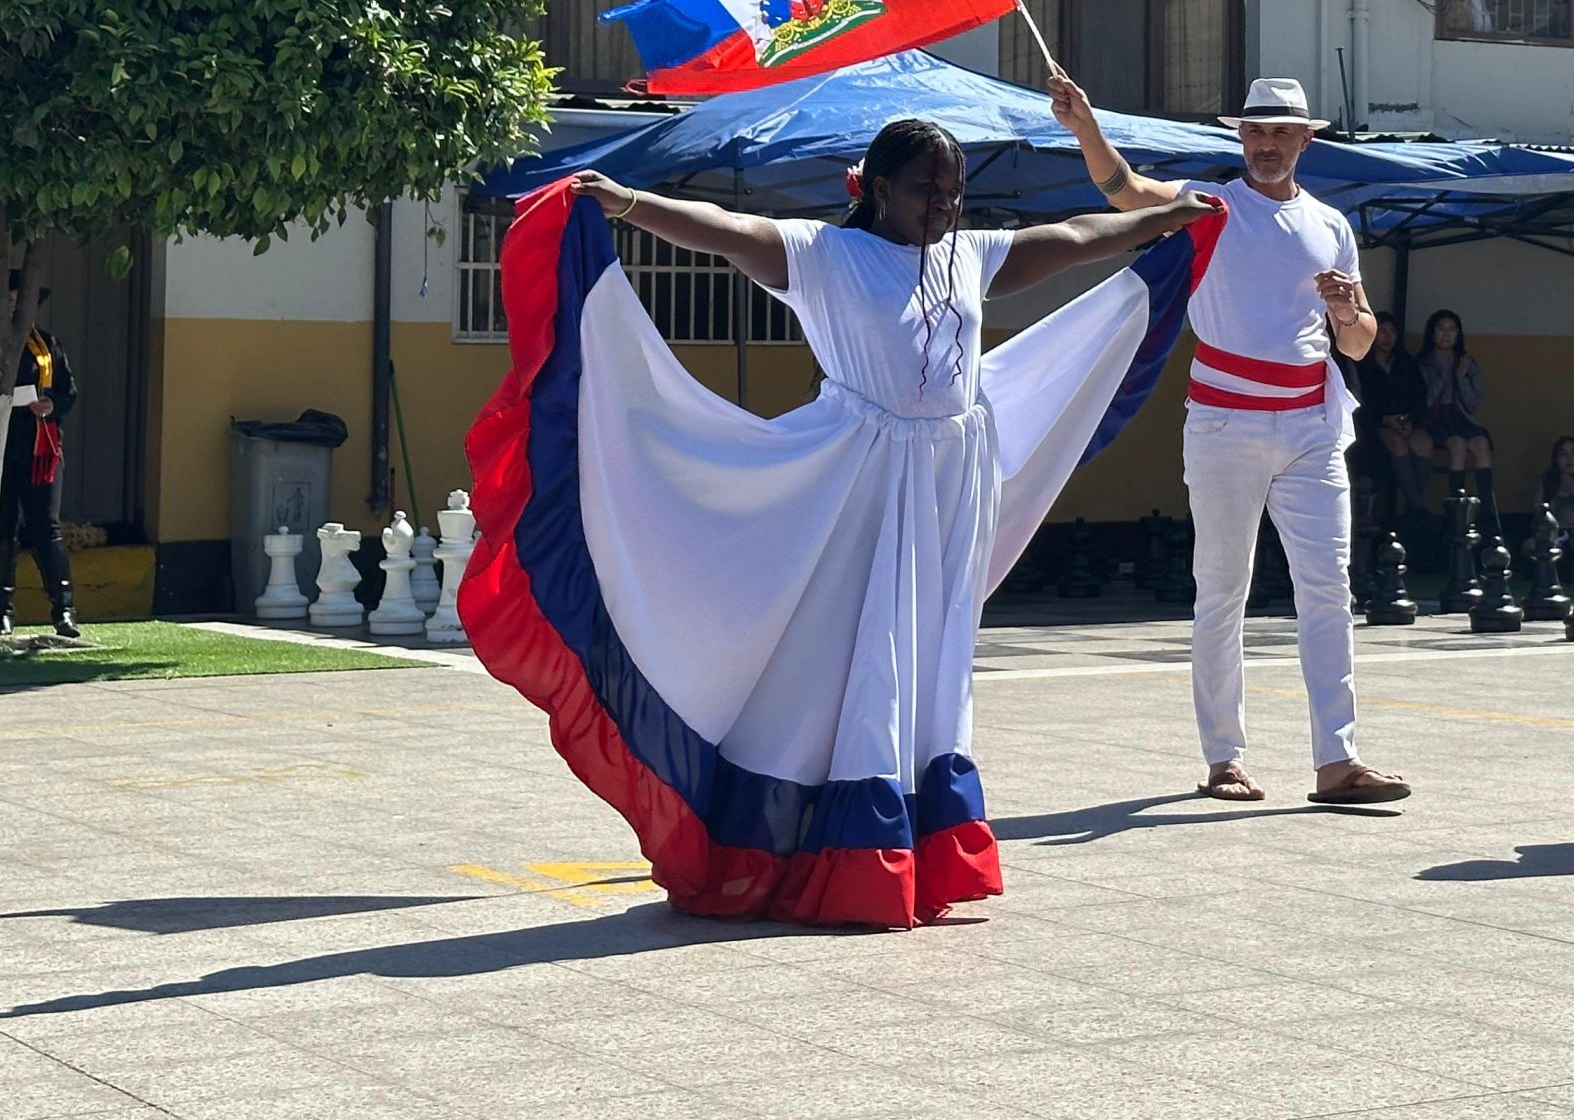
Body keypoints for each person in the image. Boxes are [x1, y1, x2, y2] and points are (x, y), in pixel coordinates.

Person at [461, 118, 1213, 929]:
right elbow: (728, 230)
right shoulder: (825, 255)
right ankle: (844, 853)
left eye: (954, 191)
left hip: (946, 489)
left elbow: (1072, 236)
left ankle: (913, 843)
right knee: (857, 664)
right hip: (858, 487)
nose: (944, 204)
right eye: (927, 188)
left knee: (929, 668)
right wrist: (631, 204)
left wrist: (1162, 219)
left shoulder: (968, 255)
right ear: (880, 188)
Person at [1050, 70, 1411, 808]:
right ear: (1240, 137)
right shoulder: (1211, 205)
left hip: (1312, 424)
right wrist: (1085, 126)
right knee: (1221, 591)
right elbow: (1125, 190)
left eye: (1281, 132)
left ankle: (1338, 761)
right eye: (1255, 131)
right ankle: (1224, 758)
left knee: (1328, 589)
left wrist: (1347, 311)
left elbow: (1358, 341)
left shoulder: (1331, 225)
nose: (1267, 143)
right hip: (1225, 423)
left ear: (1305, 140)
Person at [0, 273, 80, 639]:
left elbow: (68, 393)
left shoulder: (48, 345)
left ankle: (64, 611)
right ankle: (2, 613)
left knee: (45, 527)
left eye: (21, 301)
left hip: (38, 449)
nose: (15, 307)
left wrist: (53, 404)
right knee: (0, 528)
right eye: (8, 301)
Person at [1349, 313, 1432, 539]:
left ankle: (1413, 507)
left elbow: (1419, 397)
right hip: (1374, 425)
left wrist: (1410, 420)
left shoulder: (1406, 363)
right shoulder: (1362, 364)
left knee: (1423, 443)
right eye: (1382, 331)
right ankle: (1417, 509)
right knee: (1397, 444)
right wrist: (1384, 420)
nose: (1387, 337)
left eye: (1392, 332)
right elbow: (1360, 403)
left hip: (1407, 422)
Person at [1417, 308, 1495, 531]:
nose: (1446, 334)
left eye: (1452, 330)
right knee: (1458, 446)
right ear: (1432, 333)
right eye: (1441, 328)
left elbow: (1473, 403)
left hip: (1462, 416)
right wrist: (1444, 374)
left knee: (1481, 444)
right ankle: (1458, 516)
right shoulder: (1423, 363)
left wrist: (1460, 377)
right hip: (1435, 419)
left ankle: (1488, 513)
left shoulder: (1467, 363)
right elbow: (1424, 400)